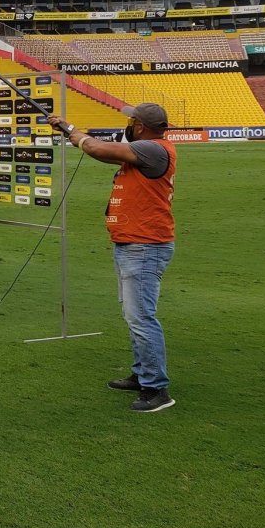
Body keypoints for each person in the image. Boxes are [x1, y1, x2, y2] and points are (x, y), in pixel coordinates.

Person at [48, 103, 177, 413]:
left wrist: (68, 129)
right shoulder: (145, 147)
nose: (128, 124)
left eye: (131, 120)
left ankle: (156, 389)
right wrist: (72, 132)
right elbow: (103, 148)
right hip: (133, 243)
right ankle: (142, 374)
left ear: (141, 126)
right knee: (133, 314)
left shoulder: (152, 148)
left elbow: (95, 148)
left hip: (144, 246)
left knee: (140, 316)